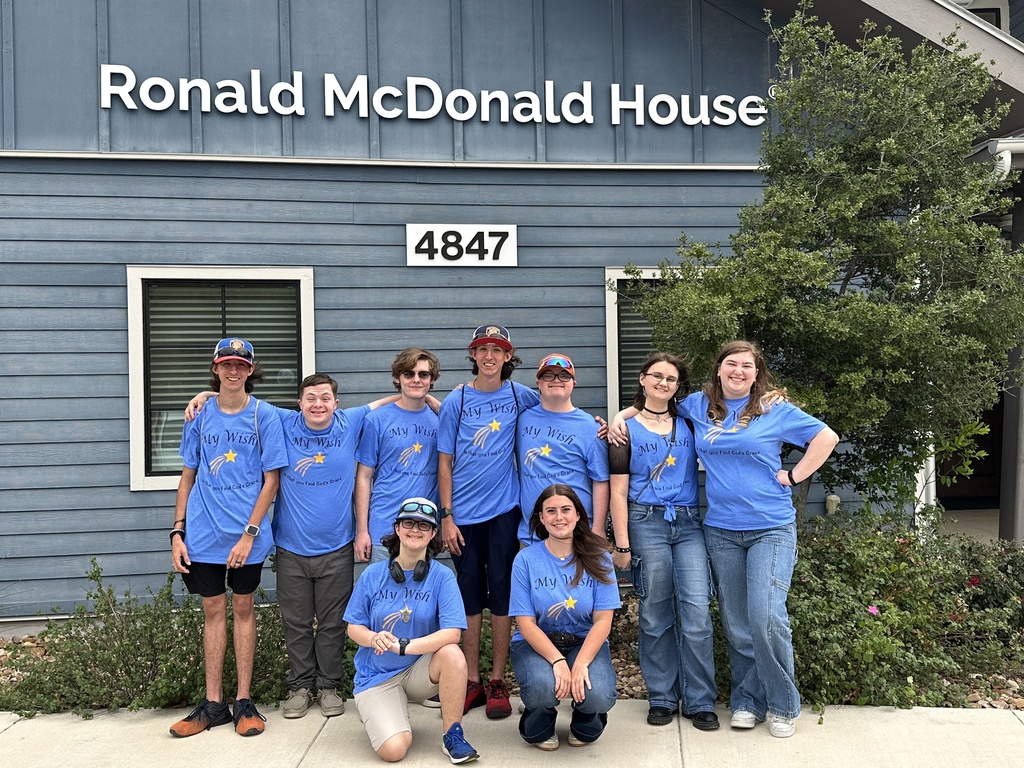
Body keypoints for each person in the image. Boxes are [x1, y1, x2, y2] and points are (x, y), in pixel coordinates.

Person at [186, 373, 408, 720]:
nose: (318, 404)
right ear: (299, 403)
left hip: (337, 545)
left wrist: (438, 402)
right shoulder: (283, 420)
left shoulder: (350, 421)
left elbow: (393, 399)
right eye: (310, 398)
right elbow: (236, 398)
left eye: (325, 398)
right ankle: (301, 686)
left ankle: (329, 686)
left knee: (334, 623)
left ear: (336, 403)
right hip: (291, 546)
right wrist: (205, 393)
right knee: (297, 622)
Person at [677, 340, 839, 738]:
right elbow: (656, 405)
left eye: (746, 366)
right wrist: (618, 418)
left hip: (770, 526)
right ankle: (748, 701)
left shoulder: (772, 408)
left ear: (756, 372)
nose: (738, 371)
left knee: (766, 617)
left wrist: (795, 476)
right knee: (737, 623)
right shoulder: (699, 406)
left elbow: (826, 437)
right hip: (722, 530)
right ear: (718, 369)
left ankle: (783, 704)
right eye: (731, 364)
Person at [169, 338, 288, 738]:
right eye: (226, 364)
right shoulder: (199, 416)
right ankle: (214, 703)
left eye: (241, 364)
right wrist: (177, 532)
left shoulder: (265, 416)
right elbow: (187, 477)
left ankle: (243, 701)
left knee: (243, 609)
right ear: (216, 368)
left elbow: (271, 481)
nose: (233, 371)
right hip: (203, 535)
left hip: (246, 538)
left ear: (251, 370)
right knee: (212, 612)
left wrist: (249, 536)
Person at [607, 352, 719, 731]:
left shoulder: (689, 420)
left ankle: (700, 699)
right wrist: (621, 543)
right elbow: (618, 492)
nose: (664, 383)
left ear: (678, 387)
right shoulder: (624, 430)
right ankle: (662, 697)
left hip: (687, 522)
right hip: (645, 520)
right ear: (642, 379)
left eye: (671, 379)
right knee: (655, 612)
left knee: (697, 612)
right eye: (657, 376)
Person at [437, 324, 539, 719]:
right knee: (469, 598)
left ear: (509, 357)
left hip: (504, 512)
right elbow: (443, 461)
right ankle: (471, 679)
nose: (491, 356)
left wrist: (604, 423)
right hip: (462, 516)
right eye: (483, 349)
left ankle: (498, 680)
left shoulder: (519, 395)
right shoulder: (457, 399)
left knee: (502, 594)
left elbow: (557, 407)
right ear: (473, 355)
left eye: (499, 350)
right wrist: (446, 516)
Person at [344, 498, 480, 764]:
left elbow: (452, 633)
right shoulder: (372, 575)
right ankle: (380, 709)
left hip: (420, 671)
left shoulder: (442, 577)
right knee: (394, 751)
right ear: (397, 528)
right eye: (409, 523)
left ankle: (452, 735)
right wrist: (373, 638)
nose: (415, 530)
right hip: (379, 676)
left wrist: (404, 646)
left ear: (432, 534)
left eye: (423, 525)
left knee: (452, 653)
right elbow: (353, 627)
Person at [509, 484, 619, 750]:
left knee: (599, 694)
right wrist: (558, 661)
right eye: (551, 511)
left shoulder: (598, 556)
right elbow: (525, 623)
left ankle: (586, 717)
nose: (559, 517)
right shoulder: (525, 560)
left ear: (578, 515)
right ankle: (540, 719)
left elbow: (603, 621)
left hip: (583, 641)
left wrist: (580, 664)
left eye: (566, 509)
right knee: (542, 686)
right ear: (541, 518)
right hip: (537, 642)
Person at [356, 348, 442, 563]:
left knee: (423, 595)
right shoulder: (377, 420)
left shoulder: (442, 420)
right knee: (383, 593)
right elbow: (364, 477)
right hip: (384, 525)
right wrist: (362, 531)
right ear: (397, 378)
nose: (416, 380)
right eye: (409, 374)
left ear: (432, 380)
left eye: (423, 375)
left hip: (424, 527)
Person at [516, 353, 609, 544]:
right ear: (538, 383)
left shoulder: (591, 427)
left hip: (578, 533)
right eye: (548, 375)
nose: (556, 380)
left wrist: (598, 529)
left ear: (574, 383)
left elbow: (600, 480)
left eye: (564, 375)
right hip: (532, 535)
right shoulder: (520, 418)